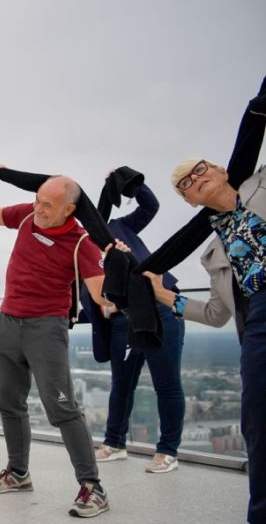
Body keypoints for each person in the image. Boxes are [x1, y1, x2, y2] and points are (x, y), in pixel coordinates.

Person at [0, 165, 113, 518]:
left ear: (70, 209)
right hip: (6, 322)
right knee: (8, 402)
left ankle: (93, 487)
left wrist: (120, 271)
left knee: (62, 409)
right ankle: (18, 472)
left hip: (46, 330)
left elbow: (101, 295)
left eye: (48, 205)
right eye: (38, 200)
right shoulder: (26, 217)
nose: (39, 208)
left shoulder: (82, 242)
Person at [144, 159, 266, 523]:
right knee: (257, 421)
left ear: (222, 169)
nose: (195, 179)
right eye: (185, 184)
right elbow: (216, 313)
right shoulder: (213, 253)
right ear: (190, 203)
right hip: (260, 317)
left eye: (199, 169)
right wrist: (164, 295)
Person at [84, 174, 186, 473]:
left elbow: (150, 206)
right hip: (120, 318)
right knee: (121, 384)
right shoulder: (82, 244)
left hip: (160, 307)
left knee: (166, 384)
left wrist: (129, 182)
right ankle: (114, 444)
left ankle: (168, 451)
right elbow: (83, 287)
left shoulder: (118, 227)